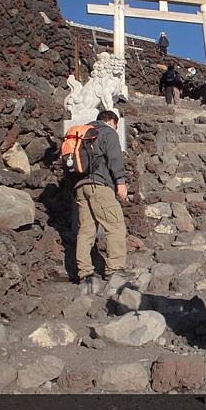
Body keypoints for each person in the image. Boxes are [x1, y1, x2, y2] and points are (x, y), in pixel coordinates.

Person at [73, 110, 128, 285]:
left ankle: (85, 273)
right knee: (115, 226)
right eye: (116, 125)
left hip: (81, 187)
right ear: (112, 121)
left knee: (86, 231)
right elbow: (114, 158)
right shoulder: (108, 132)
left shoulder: (82, 133)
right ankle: (115, 270)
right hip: (100, 185)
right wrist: (120, 181)